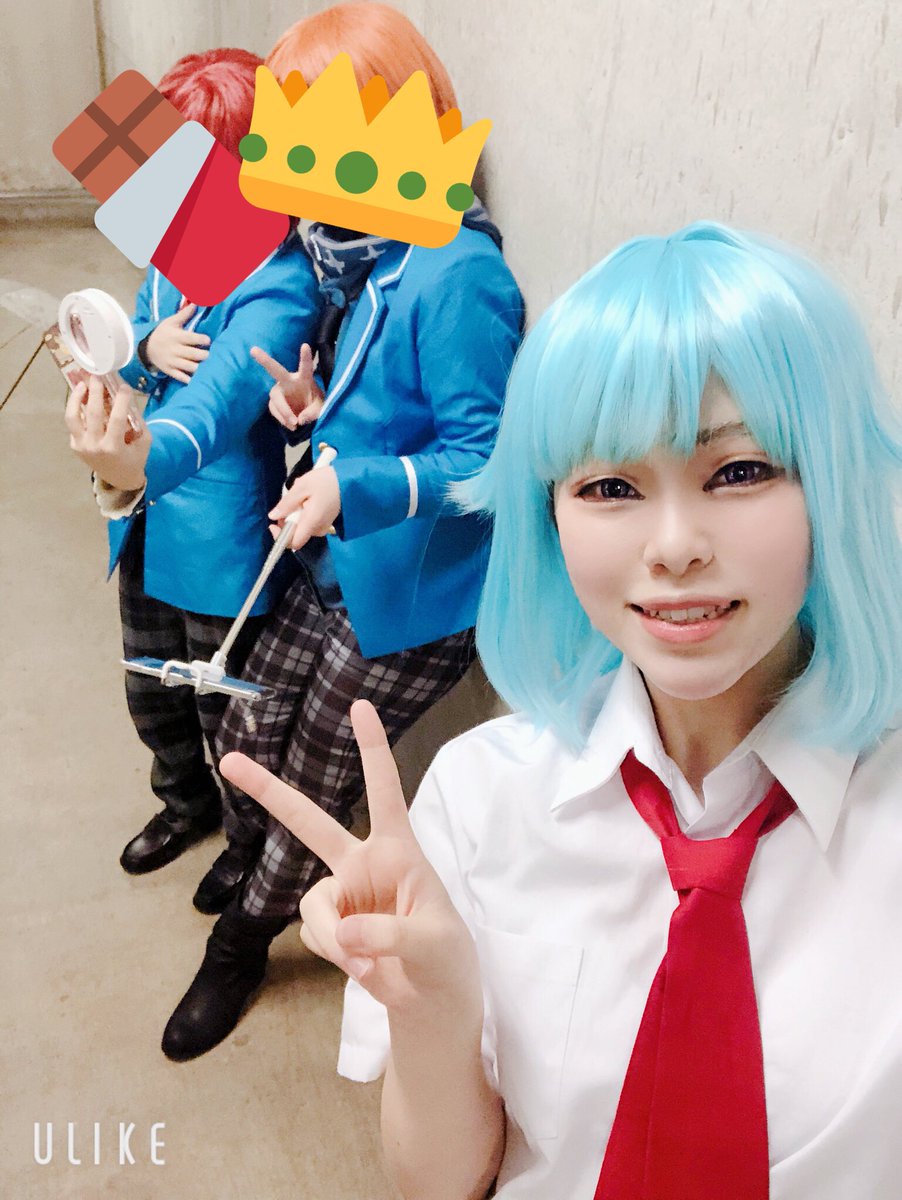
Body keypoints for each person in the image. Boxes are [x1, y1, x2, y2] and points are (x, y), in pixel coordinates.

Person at [223, 222, 902, 1199]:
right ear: (550, 516)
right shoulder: (479, 798)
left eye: (739, 471)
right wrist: (432, 1011)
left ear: (831, 481)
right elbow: (442, 1183)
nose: (673, 546)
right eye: (610, 486)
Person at [158, 2, 523, 1063]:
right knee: (244, 733)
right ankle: (246, 867)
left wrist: (350, 481)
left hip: (402, 604)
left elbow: (489, 465)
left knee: (310, 783)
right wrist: (314, 411)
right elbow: (384, 402)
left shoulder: (458, 272)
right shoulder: (362, 250)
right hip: (329, 564)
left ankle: (241, 941)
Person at [65, 49, 320, 876]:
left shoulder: (282, 285)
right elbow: (133, 349)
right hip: (146, 516)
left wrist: (137, 457)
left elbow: (215, 408)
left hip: (218, 529)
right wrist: (140, 350)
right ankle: (183, 801)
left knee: (224, 707)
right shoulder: (172, 249)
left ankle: (245, 843)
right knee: (149, 686)